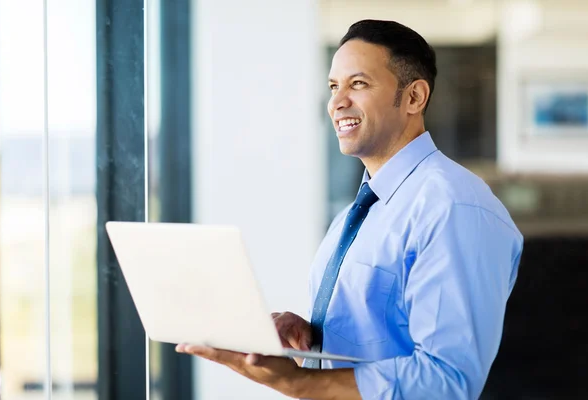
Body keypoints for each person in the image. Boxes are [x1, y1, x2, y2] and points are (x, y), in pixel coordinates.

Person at [176, 19, 523, 400]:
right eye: (333, 86)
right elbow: (381, 334)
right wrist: (313, 336)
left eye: (358, 84)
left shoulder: (454, 207)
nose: (337, 102)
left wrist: (300, 383)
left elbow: (447, 381)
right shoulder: (358, 213)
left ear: (414, 97)